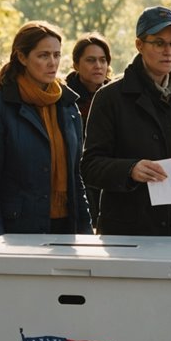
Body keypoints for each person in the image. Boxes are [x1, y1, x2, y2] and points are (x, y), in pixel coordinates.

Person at [81, 6, 171, 236]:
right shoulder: (110, 97)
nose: (168, 51)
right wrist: (130, 169)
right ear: (139, 45)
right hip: (130, 233)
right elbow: (90, 166)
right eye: (159, 43)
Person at [0, 21, 93, 242]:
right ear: (22, 57)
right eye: (43, 55)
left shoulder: (68, 106)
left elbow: (76, 177)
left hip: (68, 230)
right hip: (17, 231)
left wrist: (86, 234)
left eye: (57, 55)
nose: (52, 63)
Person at [66, 33, 113, 226]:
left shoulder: (116, 98)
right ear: (76, 65)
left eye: (103, 60)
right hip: (76, 182)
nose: (98, 66)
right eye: (90, 60)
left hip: (108, 180)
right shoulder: (65, 99)